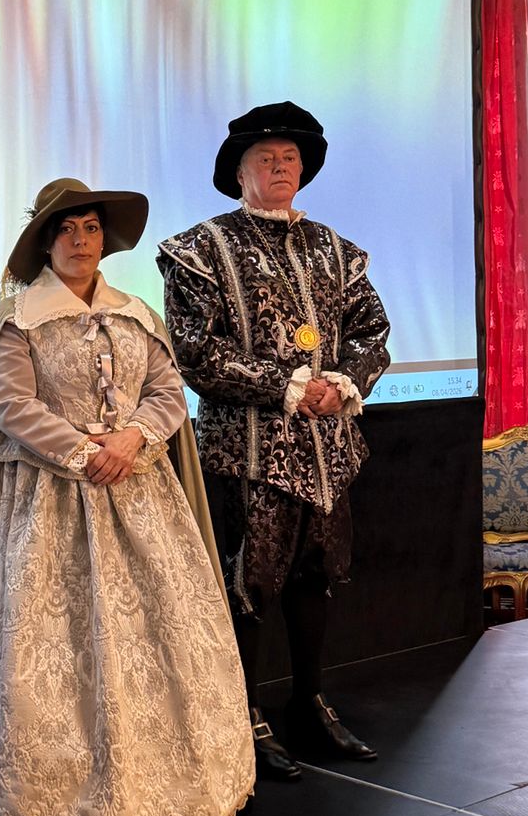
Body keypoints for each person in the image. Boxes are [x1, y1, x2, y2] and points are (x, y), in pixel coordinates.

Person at [0, 178, 255, 816]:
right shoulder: (15, 319)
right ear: (46, 241)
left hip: (138, 489)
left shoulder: (137, 315)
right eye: (67, 229)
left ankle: (172, 782)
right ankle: (40, 795)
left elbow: (166, 389)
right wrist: (82, 452)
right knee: (42, 643)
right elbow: (10, 404)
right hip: (43, 498)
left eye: (92, 228)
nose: (81, 240)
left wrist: (131, 438)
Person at [158, 102, 391, 778]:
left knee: (316, 579)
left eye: (290, 157)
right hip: (248, 452)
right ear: (239, 172)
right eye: (265, 158)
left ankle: (309, 703)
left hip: (327, 450)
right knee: (249, 584)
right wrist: (287, 385)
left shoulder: (335, 250)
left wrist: (342, 384)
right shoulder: (200, 251)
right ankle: (244, 716)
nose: (280, 166)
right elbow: (196, 353)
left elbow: (372, 331)